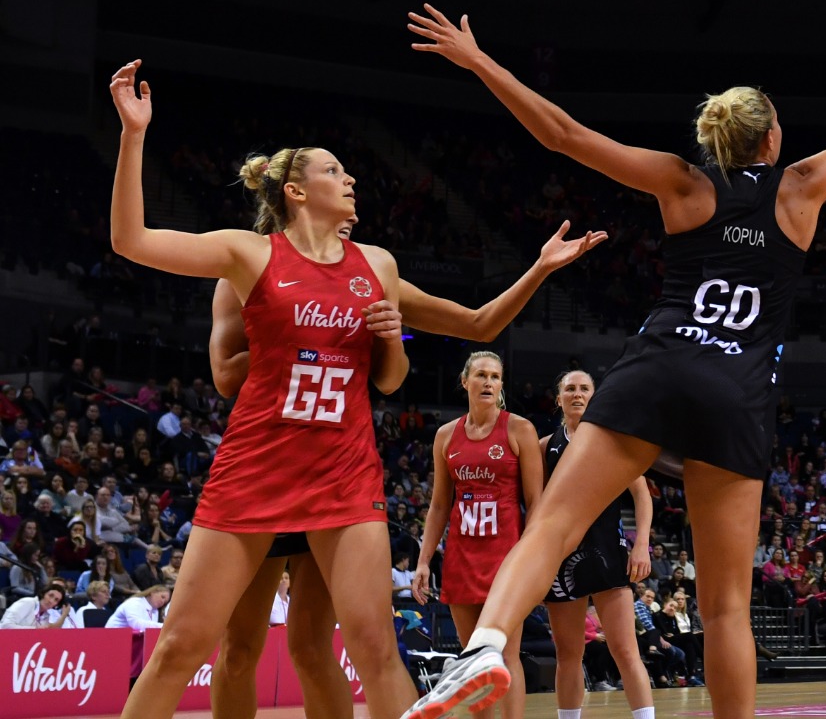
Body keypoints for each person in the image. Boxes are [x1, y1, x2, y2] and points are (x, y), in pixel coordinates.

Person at [399, 0, 826, 719]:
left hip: (660, 367)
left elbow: (562, 134)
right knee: (727, 609)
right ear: (771, 136)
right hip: (736, 393)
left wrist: (478, 61)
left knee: (553, 524)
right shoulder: (801, 188)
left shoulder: (685, 182)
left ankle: (486, 645)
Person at [107, 59, 418, 719]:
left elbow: (390, 379)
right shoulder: (249, 254)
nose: (350, 178)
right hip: (256, 468)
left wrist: (392, 338)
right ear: (297, 192)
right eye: (334, 170)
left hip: (344, 471)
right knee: (181, 647)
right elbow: (130, 240)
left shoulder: (379, 265)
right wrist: (134, 135)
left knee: (375, 650)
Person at [205, 213, 603, 719]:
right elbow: (225, 375)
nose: (351, 215)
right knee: (239, 648)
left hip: (332, 483)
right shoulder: (248, 269)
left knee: (313, 648)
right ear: (296, 202)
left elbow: (478, 323)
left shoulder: (370, 275)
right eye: (337, 186)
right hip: (262, 476)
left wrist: (540, 268)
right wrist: (300, 326)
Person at [410, 352, 543, 719]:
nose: (488, 382)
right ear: (465, 381)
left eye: (495, 377)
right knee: (473, 663)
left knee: (507, 654)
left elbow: (536, 502)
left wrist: (533, 560)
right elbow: (439, 505)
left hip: (506, 559)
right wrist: (423, 561)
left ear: (501, 385)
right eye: (481, 375)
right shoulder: (445, 435)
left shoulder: (519, 429)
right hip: (461, 557)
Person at [535, 370, 658, 719]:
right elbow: (535, 506)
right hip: (562, 557)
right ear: (558, 398)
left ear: (594, 396)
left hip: (608, 551)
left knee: (625, 650)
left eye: (584, 388)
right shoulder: (544, 447)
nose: (577, 394)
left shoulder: (612, 439)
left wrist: (641, 544)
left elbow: (642, 495)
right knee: (568, 654)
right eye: (570, 389)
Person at [0, 582, 69, 629]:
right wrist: (35, 629)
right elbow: (5, 626)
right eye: (50, 595)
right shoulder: (27, 602)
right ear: (43, 593)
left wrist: (63, 615)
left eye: (56, 600)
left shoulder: (46, 615)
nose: (51, 601)